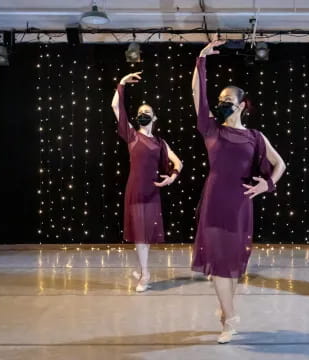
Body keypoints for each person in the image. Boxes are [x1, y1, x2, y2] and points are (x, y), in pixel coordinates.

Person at [191, 40, 286, 343]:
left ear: (242, 104)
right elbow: (197, 93)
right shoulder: (211, 129)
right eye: (220, 98)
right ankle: (230, 319)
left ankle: (225, 311)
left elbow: (280, 164)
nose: (222, 102)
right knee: (219, 262)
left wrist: (267, 184)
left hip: (241, 205)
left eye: (228, 98)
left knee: (231, 263)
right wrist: (201, 61)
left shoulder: (255, 136)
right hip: (214, 202)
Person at [111, 71, 183, 292]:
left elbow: (178, 163)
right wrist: (122, 83)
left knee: (145, 237)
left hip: (152, 192)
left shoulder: (161, 142)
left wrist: (171, 177)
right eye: (140, 112)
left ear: (154, 118)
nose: (143, 115)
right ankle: (144, 274)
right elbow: (116, 107)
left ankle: (143, 269)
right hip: (135, 190)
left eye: (147, 113)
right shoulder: (132, 134)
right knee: (139, 236)